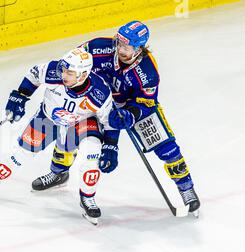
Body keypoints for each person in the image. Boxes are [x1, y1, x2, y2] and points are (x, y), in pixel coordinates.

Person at [33, 21, 201, 216]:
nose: (120, 49)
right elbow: (68, 65)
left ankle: (186, 188)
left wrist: (131, 114)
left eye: (126, 46)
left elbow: (146, 102)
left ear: (139, 49)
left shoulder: (148, 71)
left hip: (129, 108)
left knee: (166, 147)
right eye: (118, 43)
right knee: (71, 133)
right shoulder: (96, 47)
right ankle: (58, 172)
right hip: (94, 101)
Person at [0, 48, 114, 224]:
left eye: (70, 72)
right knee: (20, 156)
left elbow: (109, 121)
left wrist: (110, 145)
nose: (64, 74)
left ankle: (87, 198)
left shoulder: (100, 93)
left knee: (91, 158)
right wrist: (21, 95)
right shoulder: (53, 71)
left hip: (83, 123)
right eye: (64, 69)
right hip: (47, 119)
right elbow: (34, 74)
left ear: (83, 75)